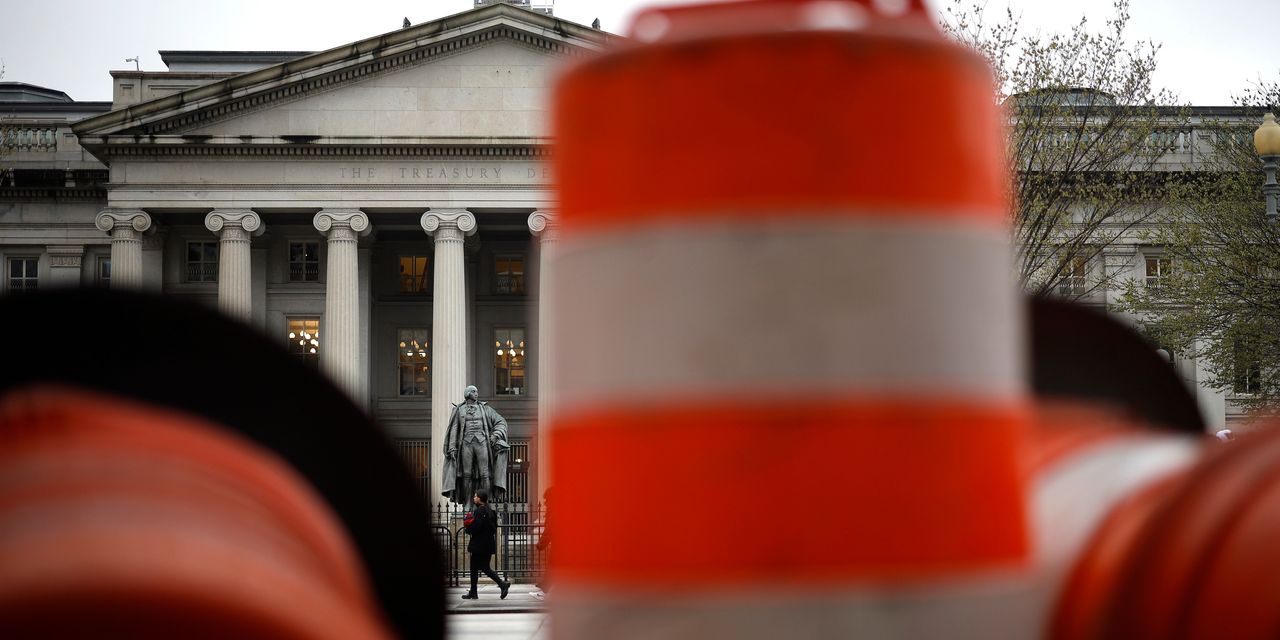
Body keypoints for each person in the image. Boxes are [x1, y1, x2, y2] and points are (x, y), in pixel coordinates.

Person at [442, 385, 510, 505]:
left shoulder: (485, 409)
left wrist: (496, 435)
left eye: (477, 391)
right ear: (468, 394)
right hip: (466, 444)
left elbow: (501, 421)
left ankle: (485, 502)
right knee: (466, 474)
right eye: (474, 391)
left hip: (482, 443)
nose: (476, 394)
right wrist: (452, 447)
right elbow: (454, 429)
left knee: (485, 474)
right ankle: (467, 503)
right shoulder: (459, 410)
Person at [462, 489, 510, 600]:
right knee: (478, 568)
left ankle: (502, 584)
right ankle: (473, 592)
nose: (474, 498)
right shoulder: (490, 511)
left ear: (479, 499)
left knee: (483, 568)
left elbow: (477, 527)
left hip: (479, 545)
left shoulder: (479, 511)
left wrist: (468, 527)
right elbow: (493, 528)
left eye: (475, 496)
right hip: (487, 544)